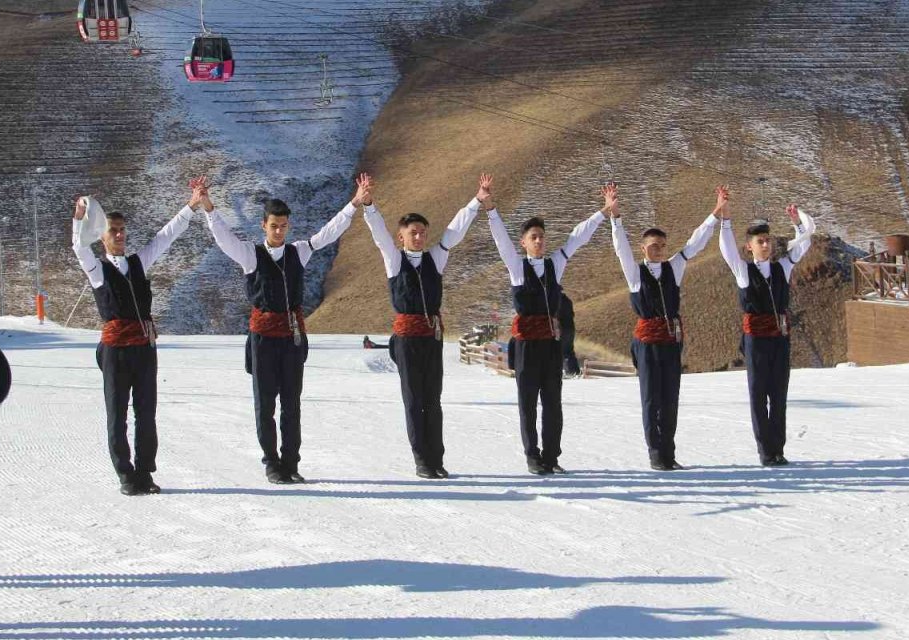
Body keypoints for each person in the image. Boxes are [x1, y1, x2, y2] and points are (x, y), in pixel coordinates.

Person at [205, 176, 367, 484]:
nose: (279, 231)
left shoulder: (298, 252)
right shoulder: (250, 255)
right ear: (263, 226)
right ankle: (272, 463)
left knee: (292, 404)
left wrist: (355, 203)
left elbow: (328, 234)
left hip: (292, 339)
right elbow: (224, 239)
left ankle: (291, 463)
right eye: (274, 226)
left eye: (284, 226)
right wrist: (209, 208)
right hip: (263, 339)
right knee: (265, 404)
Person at [72, 180, 204, 495]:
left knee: (146, 412)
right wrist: (79, 217)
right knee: (117, 413)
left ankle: (145, 472)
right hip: (115, 350)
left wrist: (192, 204)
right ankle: (125, 474)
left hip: (144, 348)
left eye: (122, 230)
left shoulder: (137, 263)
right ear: (101, 237)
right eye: (112, 230)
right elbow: (78, 248)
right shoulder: (98, 270)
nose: (119, 235)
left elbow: (165, 237)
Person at [362, 173, 489, 478]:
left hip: (432, 338)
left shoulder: (436, 258)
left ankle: (437, 459)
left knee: (433, 398)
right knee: (413, 399)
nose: (419, 237)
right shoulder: (394, 260)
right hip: (407, 340)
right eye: (413, 233)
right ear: (401, 237)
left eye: (422, 232)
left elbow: (454, 232)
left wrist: (477, 201)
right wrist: (368, 205)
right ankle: (422, 460)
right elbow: (379, 235)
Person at [487, 185, 608, 475]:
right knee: (528, 404)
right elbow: (501, 242)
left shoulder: (556, 264)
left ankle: (552, 456)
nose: (540, 241)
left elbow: (578, 237)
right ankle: (533, 456)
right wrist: (491, 209)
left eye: (542, 236)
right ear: (524, 243)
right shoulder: (517, 268)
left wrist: (603, 212)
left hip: (551, 345)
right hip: (527, 345)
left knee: (553, 403)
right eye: (534, 237)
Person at [607, 182, 721, 471]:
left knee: (670, 397)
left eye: (661, 246)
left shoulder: (674, 267)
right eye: (653, 246)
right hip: (647, 344)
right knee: (651, 398)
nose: (658, 250)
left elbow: (695, 243)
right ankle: (655, 453)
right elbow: (620, 249)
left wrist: (715, 214)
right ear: (643, 249)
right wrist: (615, 217)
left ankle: (668, 453)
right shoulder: (635, 274)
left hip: (671, 342)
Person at [716, 190, 815, 466]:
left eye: (768, 240)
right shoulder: (743, 271)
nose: (766, 245)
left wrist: (797, 222)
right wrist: (725, 217)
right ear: (749, 246)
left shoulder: (783, 267)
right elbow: (726, 250)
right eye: (760, 241)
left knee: (779, 394)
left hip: (780, 340)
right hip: (756, 341)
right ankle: (765, 451)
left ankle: (778, 449)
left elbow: (804, 243)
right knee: (759, 396)